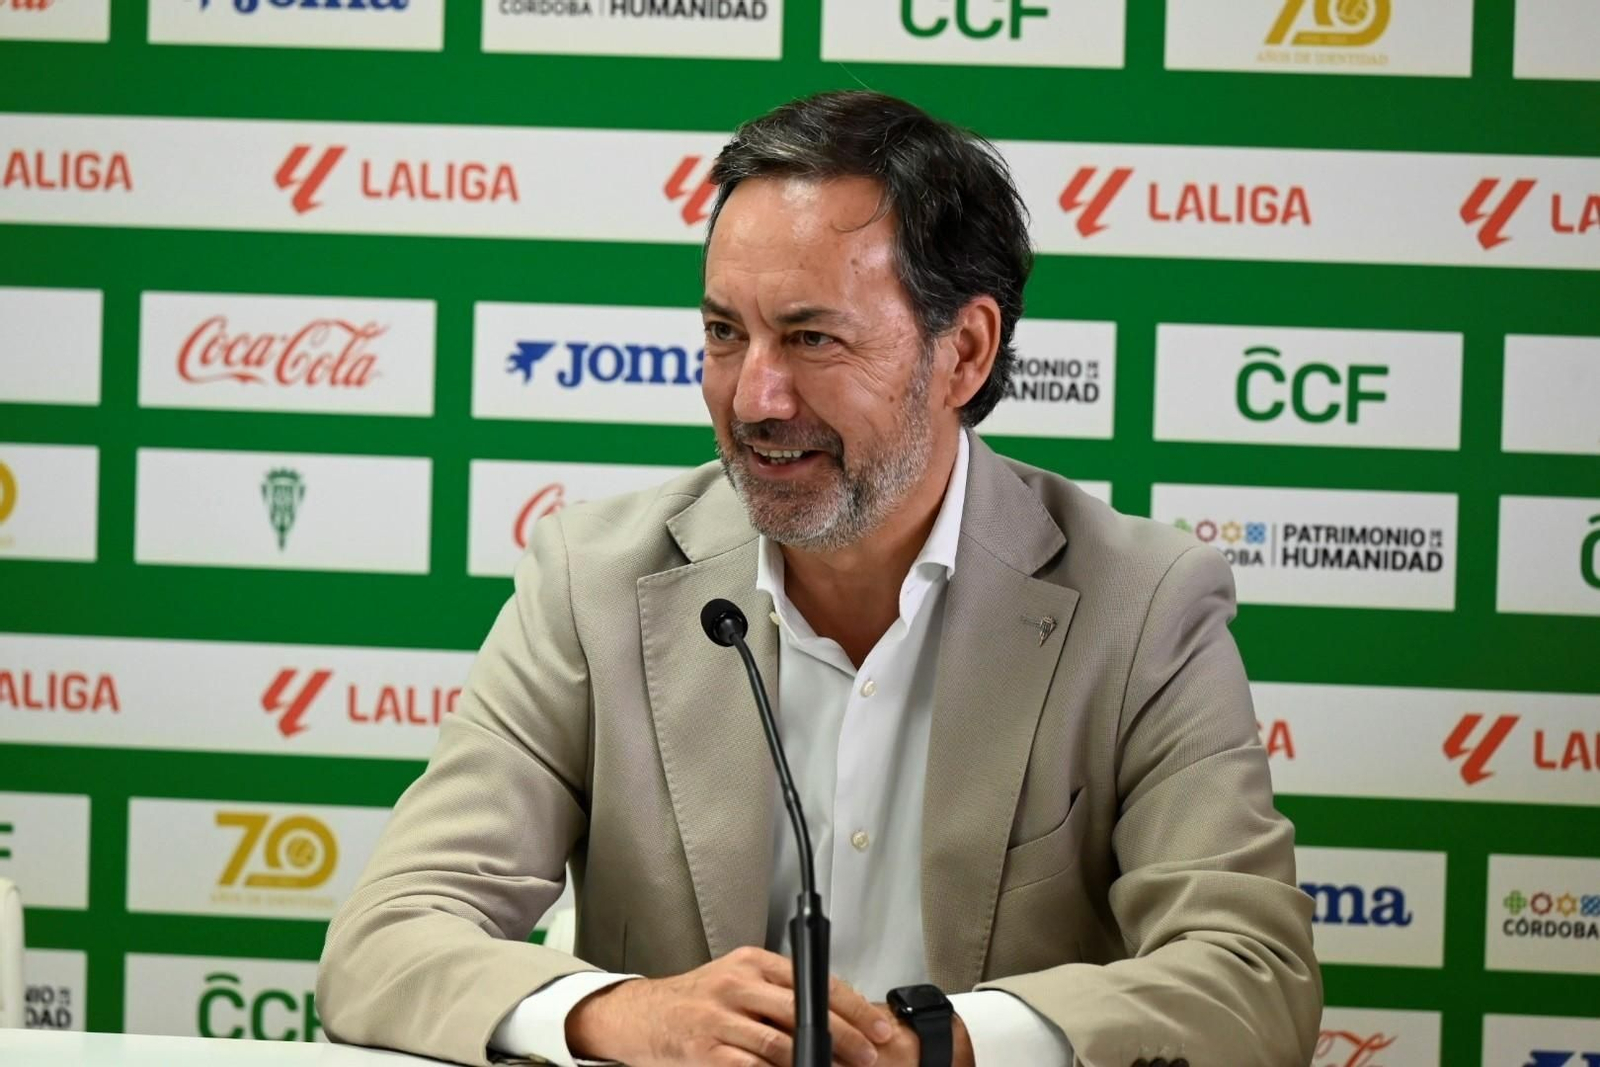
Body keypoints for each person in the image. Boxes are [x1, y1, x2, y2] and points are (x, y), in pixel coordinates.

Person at [317, 91, 1321, 1067]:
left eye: (810, 337)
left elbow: (1251, 975)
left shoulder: (1138, 602)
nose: (754, 395)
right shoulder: (593, 580)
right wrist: (629, 1016)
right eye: (723, 333)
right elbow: (386, 938)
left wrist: (941, 1043)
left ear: (962, 351)